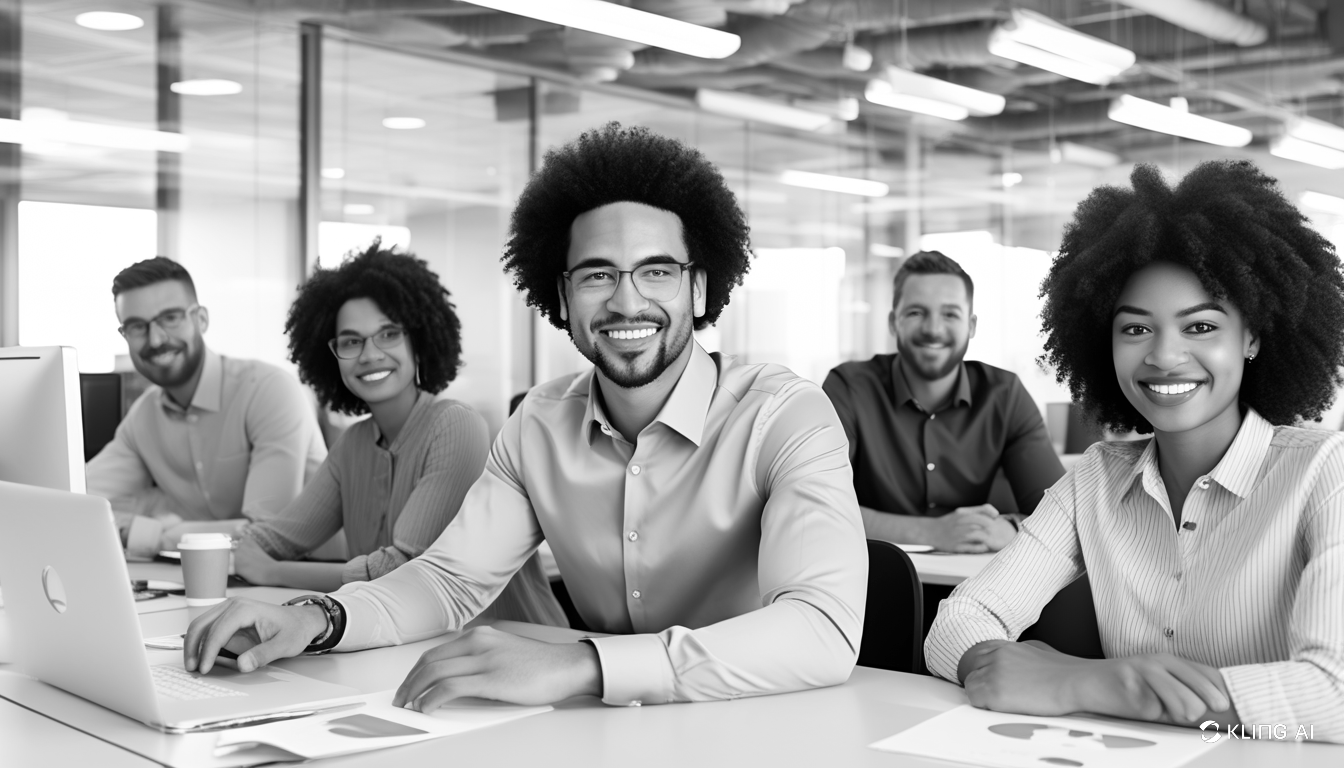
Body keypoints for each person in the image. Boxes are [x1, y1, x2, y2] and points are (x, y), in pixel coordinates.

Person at [184, 122, 868, 710]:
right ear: (561, 297)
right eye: (598, 275)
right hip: (600, 730)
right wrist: (316, 618)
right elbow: (449, 579)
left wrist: (587, 664)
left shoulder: (786, 415)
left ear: (698, 287)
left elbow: (820, 630)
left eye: (656, 271)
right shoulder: (538, 426)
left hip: (761, 720)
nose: (627, 302)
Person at [925, 161, 1344, 743]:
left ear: (1251, 337)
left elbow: (1335, 696)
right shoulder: (1095, 479)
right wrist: (1079, 681)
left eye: (1200, 328)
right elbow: (959, 623)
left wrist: (1112, 689)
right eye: (1136, 329)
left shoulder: (1325, 471)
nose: (1165, 356)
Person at [229, 245, 564, 625]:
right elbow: (273, 538)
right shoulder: (352, 445)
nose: (370, 354)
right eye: (352, 341)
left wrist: (272, 572)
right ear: (332, 355)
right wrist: (254, 552)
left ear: (418, 342)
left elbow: (402, 572)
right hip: (405, 645)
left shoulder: (456, 425)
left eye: (388, 334)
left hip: (515, 643)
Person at [823, 251, 1064, 553]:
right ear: (893, 322)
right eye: (916, 313)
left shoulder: (1005, 394)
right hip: (871, 584)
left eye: (950, 314)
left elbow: (1060, 515)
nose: (933, 329)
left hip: (970, 585)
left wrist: (1010, 528)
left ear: (971, 325)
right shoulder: (848, 389)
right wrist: (933, 532)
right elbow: (820, 506)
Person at [85, 257, 326, 559]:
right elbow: (77, 499)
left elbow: (266, 535)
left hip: (314, 581)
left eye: (170, 318)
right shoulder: (143, 417)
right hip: (217, 580)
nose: (156, 339)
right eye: (137, 326)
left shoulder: (268, 390)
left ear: (201, 320)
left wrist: (151, 535)